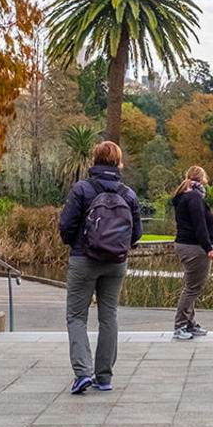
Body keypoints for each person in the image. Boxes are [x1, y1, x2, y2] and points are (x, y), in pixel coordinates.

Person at [58, 140, 142, 395]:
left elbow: (66, 225)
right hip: (116, 262)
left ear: (93, 161)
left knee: (76, 316)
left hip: (84, 259)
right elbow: (136, 233)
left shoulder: (82, 189)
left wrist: (76, 244)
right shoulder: (128, 194)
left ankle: (82, 373)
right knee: (109, 315)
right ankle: (104, 377)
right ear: (118, 162)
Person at [169, 165, 213, 340]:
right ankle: (180, 325)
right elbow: (200, 225)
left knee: (193, 285)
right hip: (194, 246)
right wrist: (208, 247)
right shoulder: (194, 198)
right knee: (192, 287)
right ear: (201, 179)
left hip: (185, 244)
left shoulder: (186, 196)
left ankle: (189, 323)